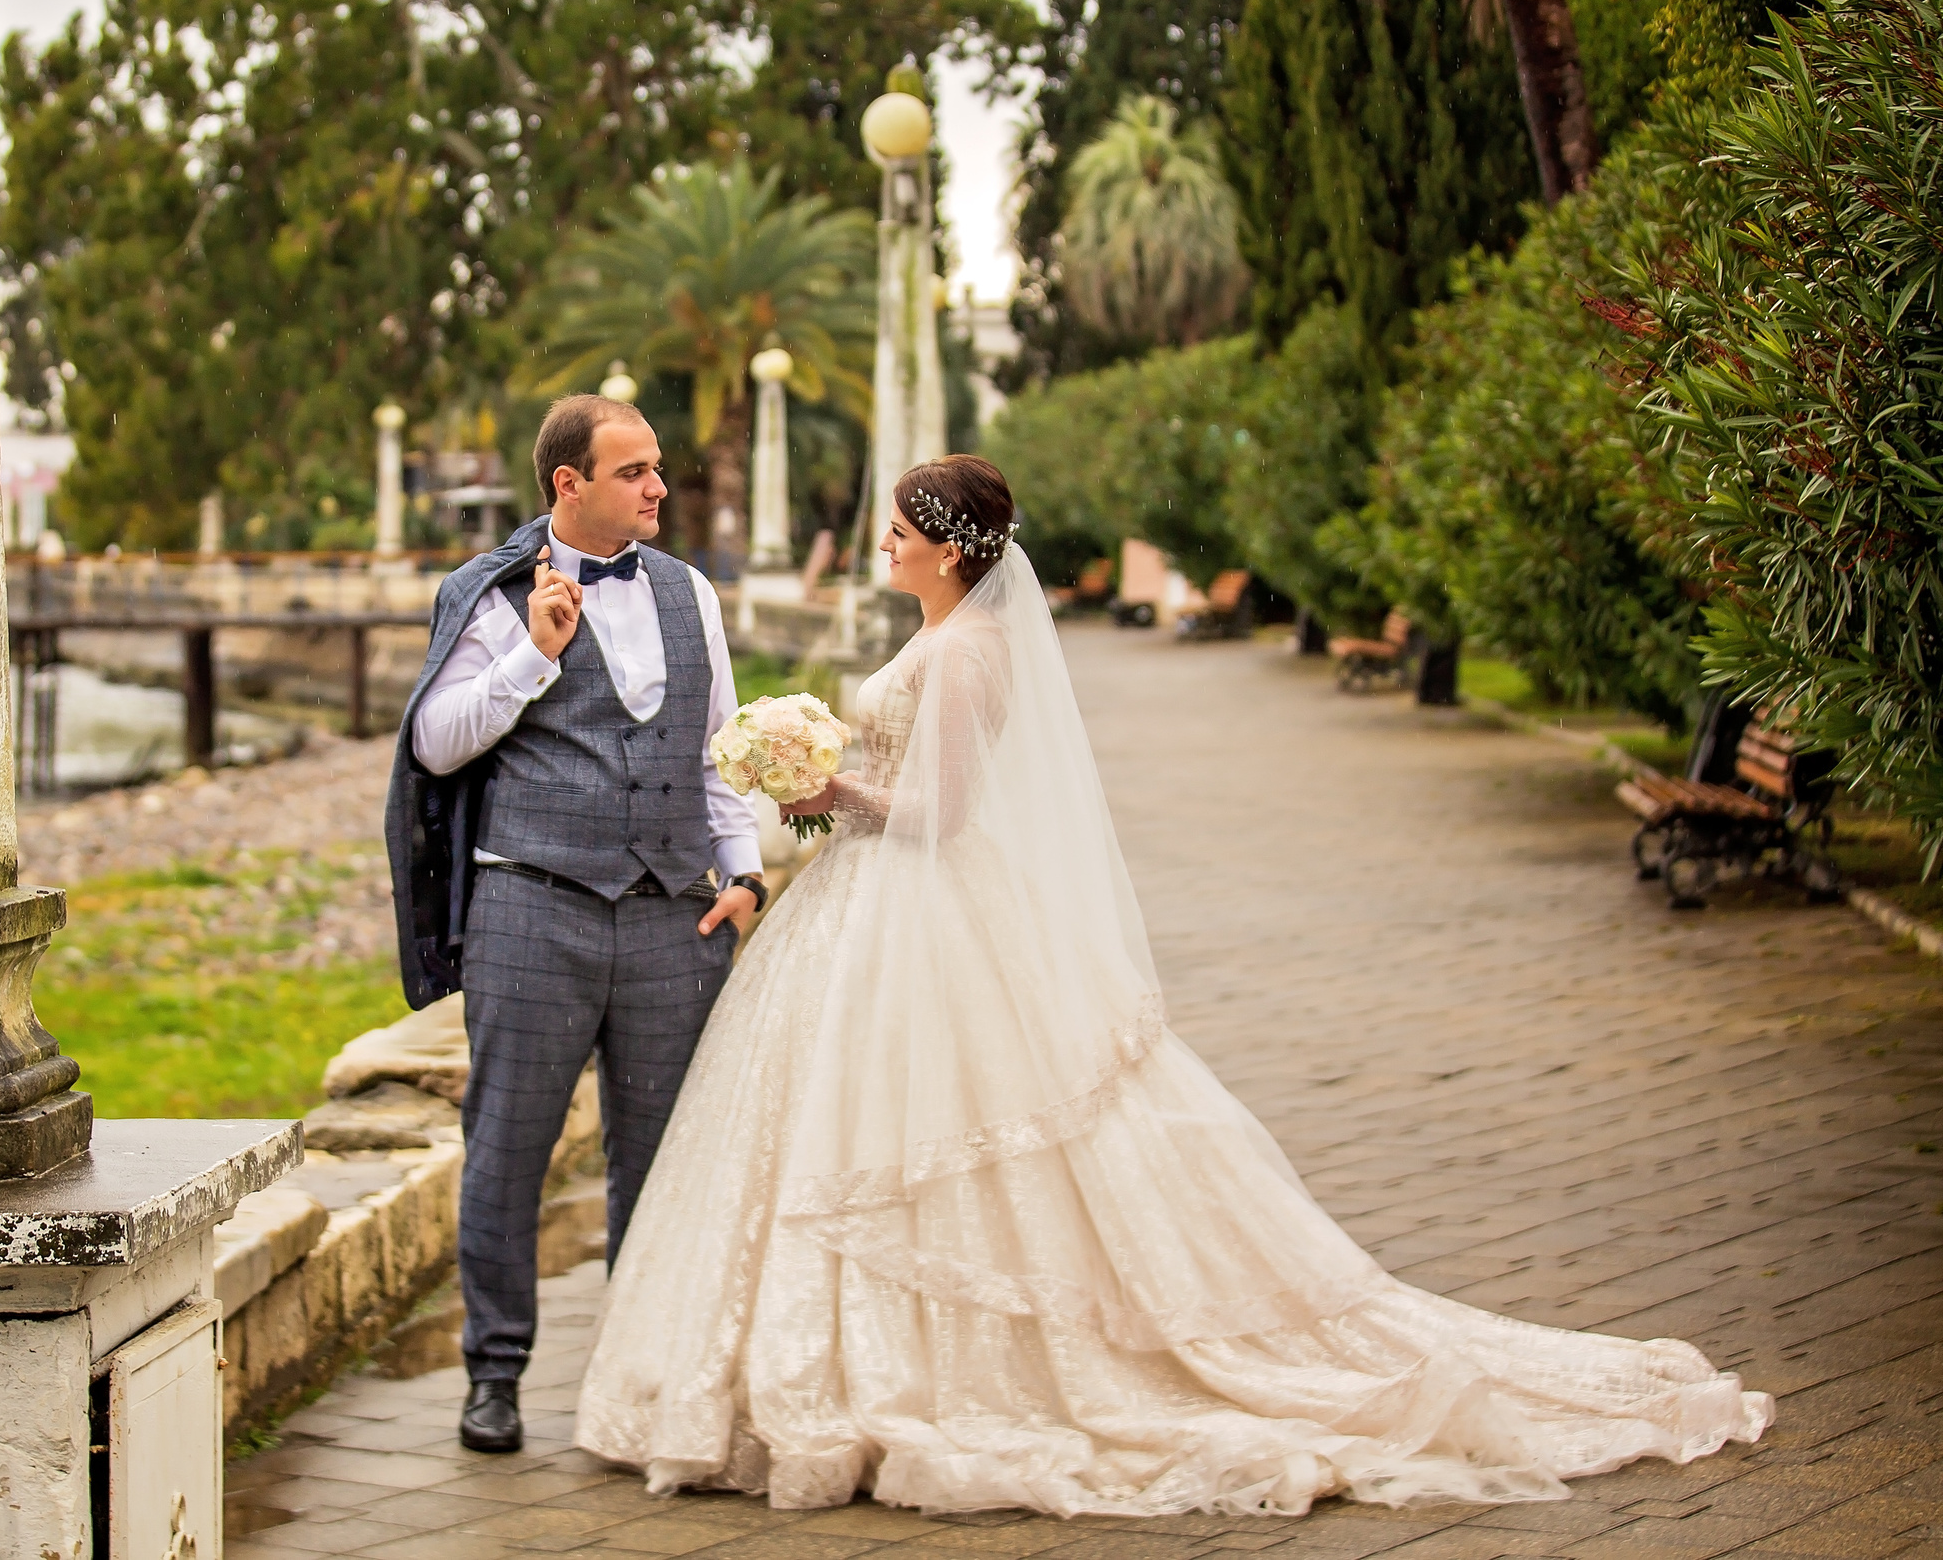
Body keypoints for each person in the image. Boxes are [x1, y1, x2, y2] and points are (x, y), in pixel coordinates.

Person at [577, 455, 1771, 1518]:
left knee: (956, 1135)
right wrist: (822, 768)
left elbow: (941, 818)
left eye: (897, 528)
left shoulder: (971, 650)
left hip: (922, 909)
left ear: (946, 545)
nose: (882, 542)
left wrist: (830, 789)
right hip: (867, 914)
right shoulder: (940, 635)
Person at [384, 394, 764, 1455]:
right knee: (505, 1151)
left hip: (673, 921)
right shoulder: (493, 593)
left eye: (657, 469)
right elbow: (437, 745)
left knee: (659, 1161)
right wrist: (532, 655)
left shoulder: (689, 592)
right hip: (530, 909)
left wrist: (744, 874)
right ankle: (493, 1376)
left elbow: (716, 747)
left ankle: (637, 1382)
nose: (658, 487)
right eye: (635, 471)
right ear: (569, 484)